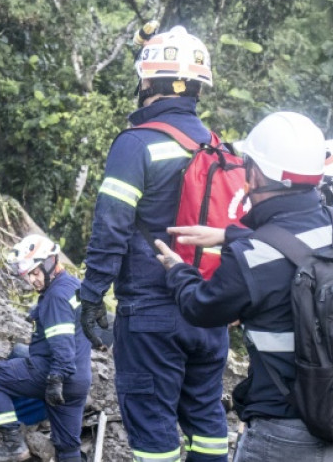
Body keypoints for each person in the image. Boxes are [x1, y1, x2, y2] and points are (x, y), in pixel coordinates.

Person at [152, 112, 333, 461]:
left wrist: (177, 271)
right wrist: (231, 234)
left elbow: (201, 307)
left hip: (290, 431)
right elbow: (301, 240)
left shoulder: (253, 256)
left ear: (256, 174)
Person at [79, 24, 229, 462]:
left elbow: (111, 226)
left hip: (151, 312)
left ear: (148, 82)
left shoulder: (136, 144)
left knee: (152, 426)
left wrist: (92, 295)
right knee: (207, 421)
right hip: (209, 310)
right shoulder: (218, 147)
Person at [0, 234, 92, 462]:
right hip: (78, 381)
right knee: (68, 448)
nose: (32, 281)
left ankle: (13, 445)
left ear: (50, 262)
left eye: (35, 273)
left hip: (52, 372)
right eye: (27, 275)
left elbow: (63, 345)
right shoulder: (74, 286)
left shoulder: (55, 296)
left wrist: (55, 379)